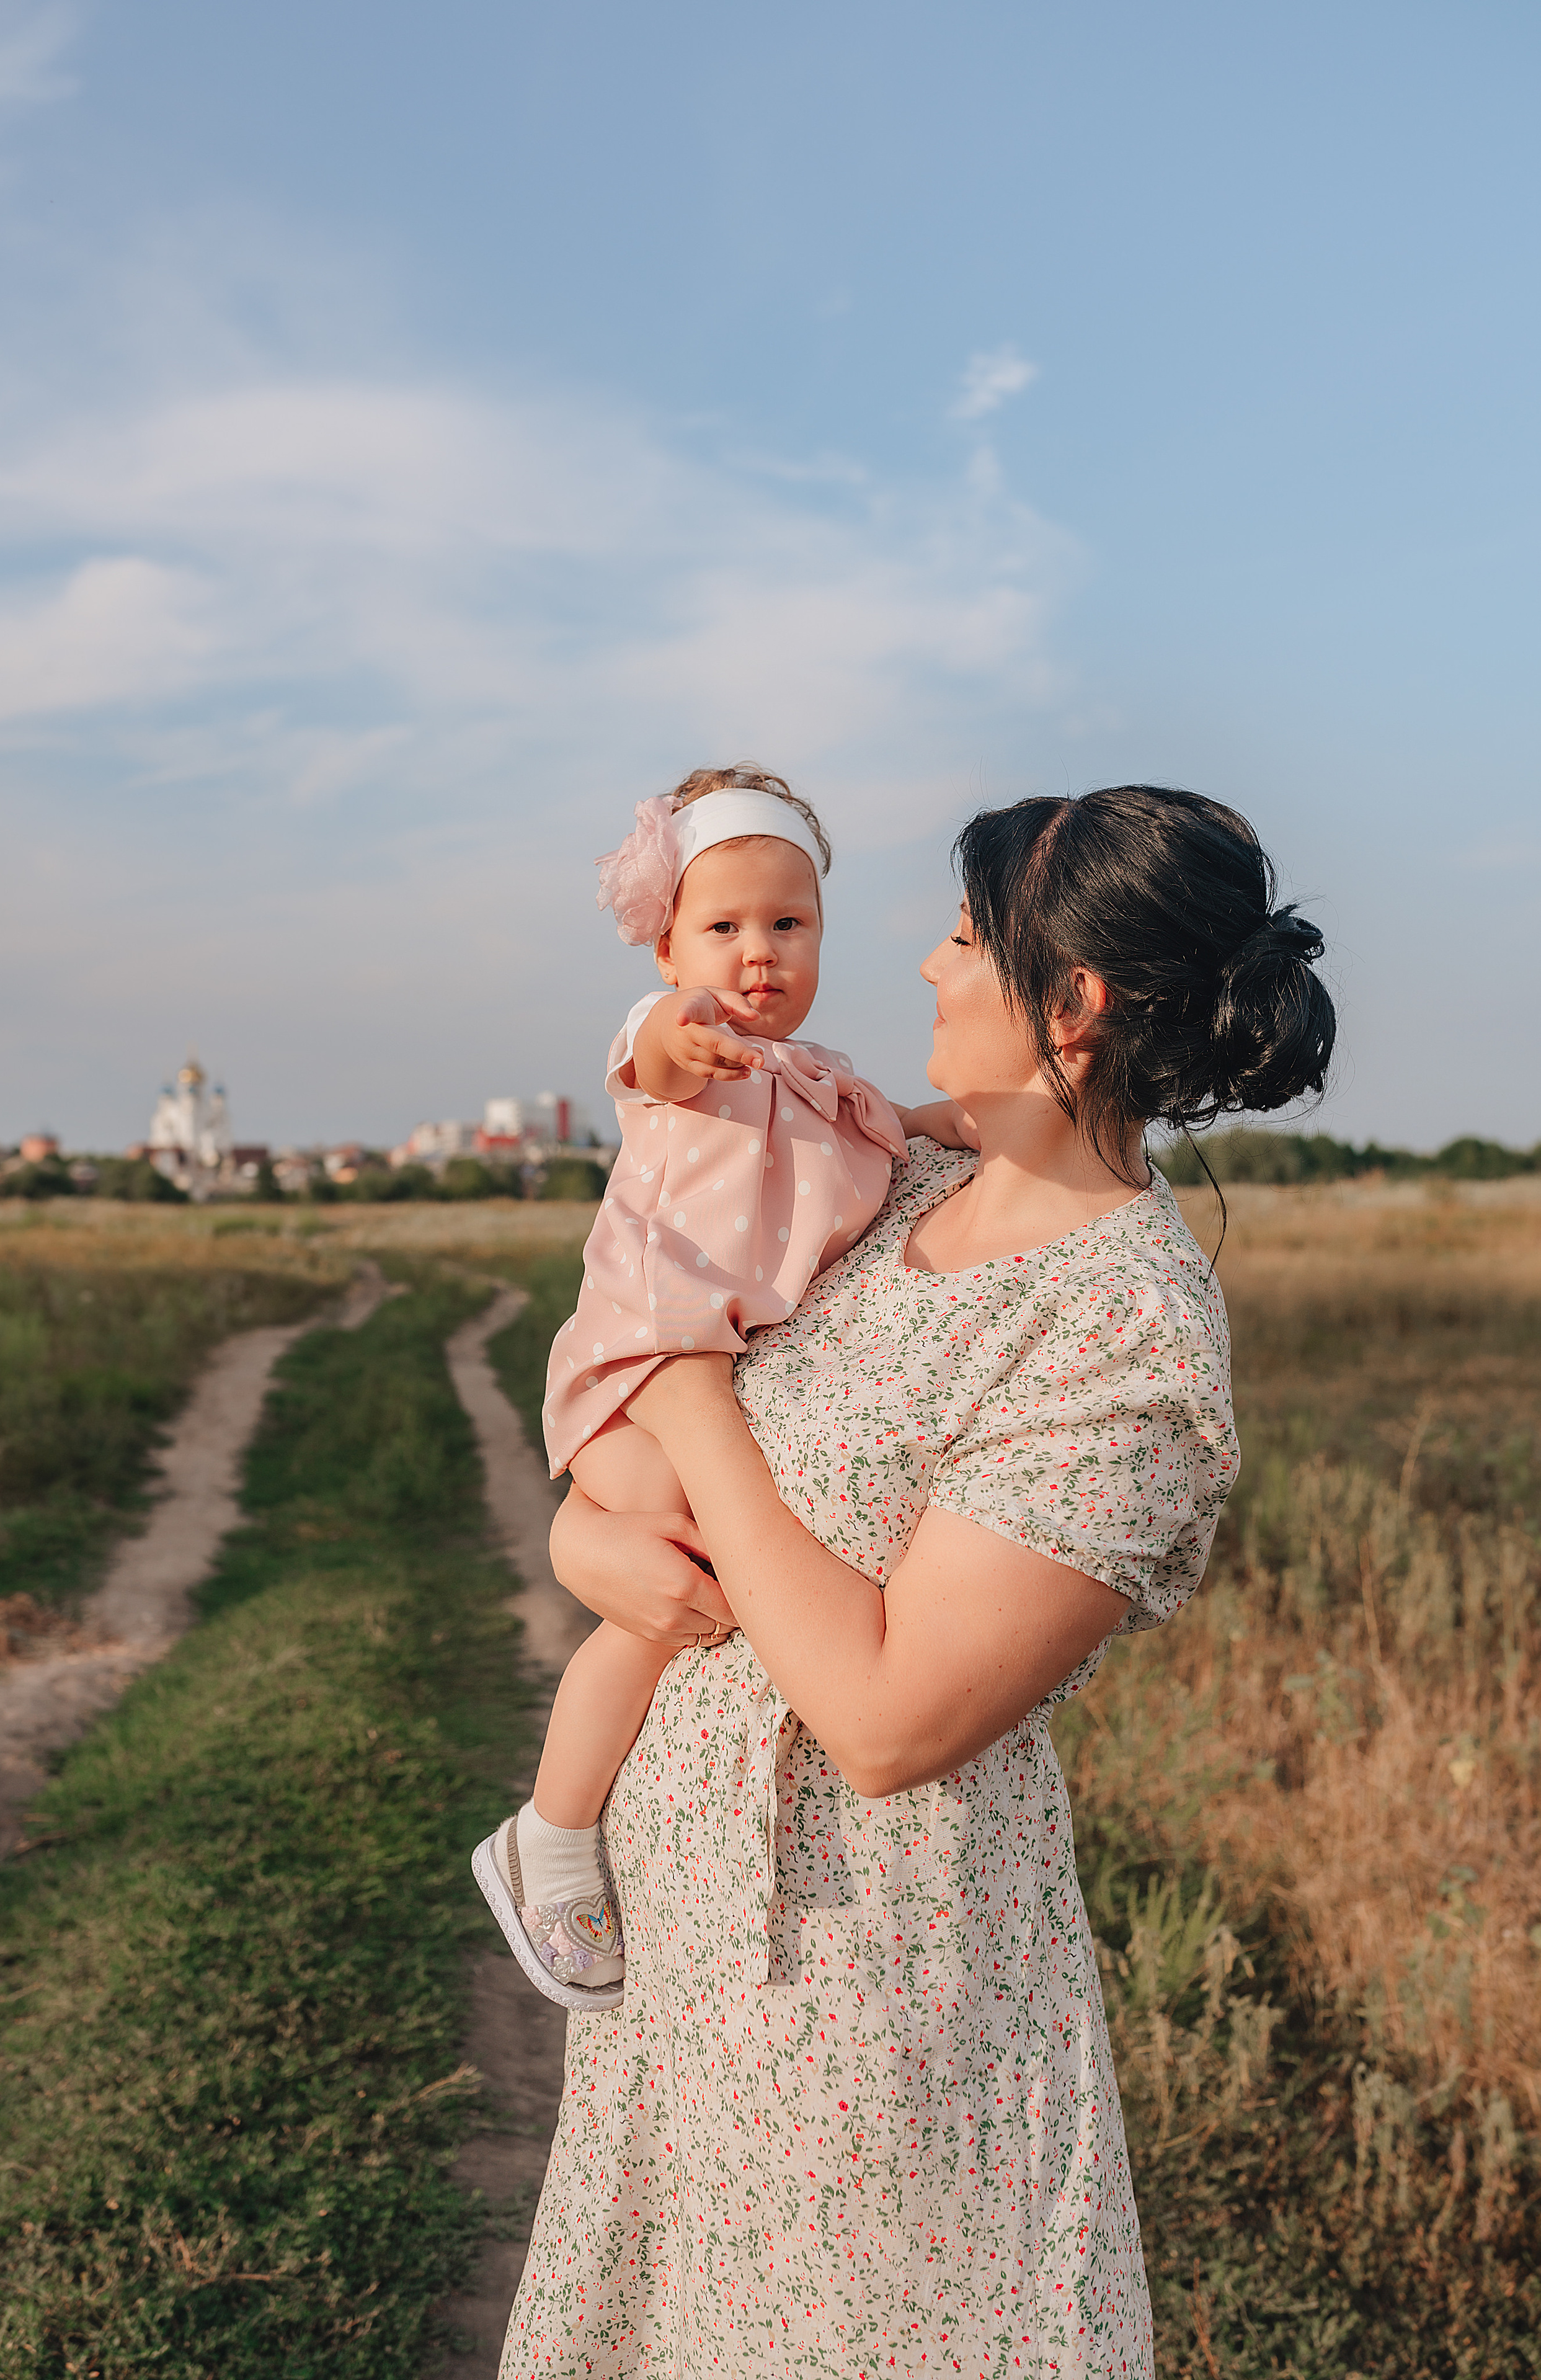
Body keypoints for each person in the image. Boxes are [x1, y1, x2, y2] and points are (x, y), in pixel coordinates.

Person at [499, 782, 1336, 2379]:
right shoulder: (900, 1191)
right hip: (699, 1968)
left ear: (1071, 1004)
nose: (929, 964)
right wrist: (587, 1539)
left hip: (876, 2002)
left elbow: (885, 1718)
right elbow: (700, 1445)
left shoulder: (1122, 1335)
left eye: (964, 938)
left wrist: (677, 1395)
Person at [474, 767, 969, 2003]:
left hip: (722, 1378)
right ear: (667, 943)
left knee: (674, 1597)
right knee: (678, 1566)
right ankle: (548, 1827)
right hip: (646, 1367)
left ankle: (569, 1821)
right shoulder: (685, 1059)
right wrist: (680, 1031)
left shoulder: (824, 1083)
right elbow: (651, 1052)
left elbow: (907, 1124)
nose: (756, 954)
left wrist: (987, 1118)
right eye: (723, 926)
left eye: (786, 924)